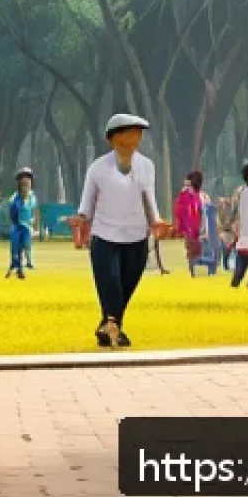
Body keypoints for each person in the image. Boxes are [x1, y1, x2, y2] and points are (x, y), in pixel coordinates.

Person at [77, 114, 162, 349]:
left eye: (137, 135)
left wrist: (156, 222)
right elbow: (87, 204)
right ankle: (114, 326)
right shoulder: (98, 169)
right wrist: (81, 222)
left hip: (137, 237)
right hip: (105, 237)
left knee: (125, 287)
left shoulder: (147, 166)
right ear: (113, 139)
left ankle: (108, 326)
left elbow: (149, 198)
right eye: (128, 135)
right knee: (111, 283)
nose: (133, 140)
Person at [5, 168, 38, 279]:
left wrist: (33, 223)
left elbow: (34, 211)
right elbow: (12, 214)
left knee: (26, 245)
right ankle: (16, 268)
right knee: (16, 247)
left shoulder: (32, 196)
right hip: (18, 226)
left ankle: (26, 263)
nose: (26, 184)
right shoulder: (15, 199)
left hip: (27, 227)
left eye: (28, 181)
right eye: (23, 183)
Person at [173, 171, 207, 273]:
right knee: (196, 251)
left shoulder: (187, 195)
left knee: (193, 251)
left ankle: (194, 269)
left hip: (193, 230)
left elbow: (179, 211)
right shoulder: (203, 196)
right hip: (199, 230)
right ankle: (196, 268)